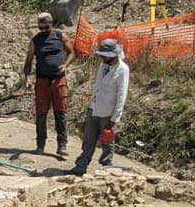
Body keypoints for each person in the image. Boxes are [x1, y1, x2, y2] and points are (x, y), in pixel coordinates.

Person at [73, 38, 128, 173]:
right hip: (95, 107)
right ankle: (81, 166)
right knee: (88, 140)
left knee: (107, 142)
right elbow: (97, 86)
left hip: (108, 112)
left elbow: (122, 95)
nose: (102, 58)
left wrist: (114, 118)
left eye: (104, 56)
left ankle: (106, 167)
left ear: (112, 55)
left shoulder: (122, 69)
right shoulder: (103, 66)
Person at [22, 11, 71, 158]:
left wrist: (65, 65)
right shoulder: (35, 40)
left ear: (51, 24)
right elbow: (29, 60)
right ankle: (40, 144)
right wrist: (27, 78)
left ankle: (62, 145)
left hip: (58, 80)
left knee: (60, 113)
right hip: (42, 81)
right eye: (40, 27)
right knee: (41, 114)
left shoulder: (60, 36)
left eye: (46, 27)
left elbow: (72, 52)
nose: (43, 30)